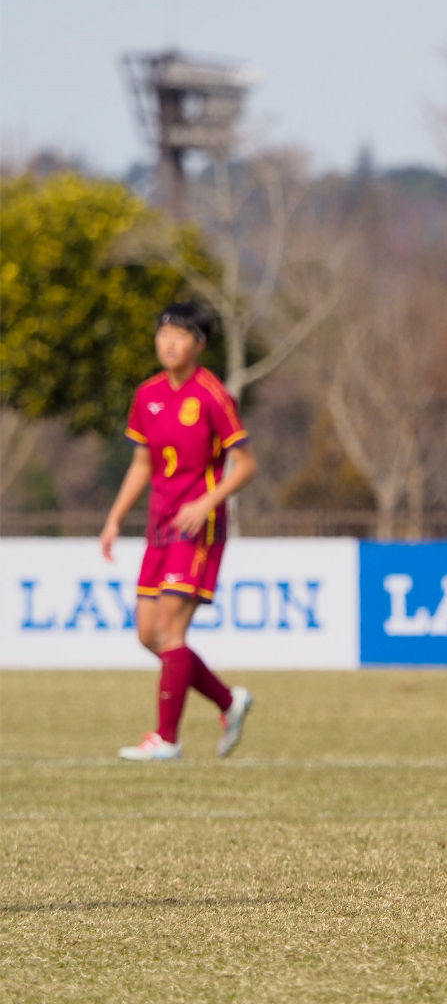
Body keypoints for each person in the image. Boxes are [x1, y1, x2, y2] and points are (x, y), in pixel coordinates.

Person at [100, 302, 258, 761]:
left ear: (199, 344)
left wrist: (206, 502)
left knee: (170, 630)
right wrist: (114, 518)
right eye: (163, 333)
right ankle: (230, 702)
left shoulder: (212, 395)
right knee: (148, 633)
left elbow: (246, 465)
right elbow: (142, 463)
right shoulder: (147, 394)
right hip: (159, 526)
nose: (169, 342)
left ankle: (166, 740)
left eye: (180, 335)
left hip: (200, 528)